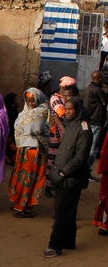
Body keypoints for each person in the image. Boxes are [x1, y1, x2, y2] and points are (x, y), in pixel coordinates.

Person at [46, 97, 92, 257]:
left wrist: (63, 172)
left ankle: (55, 245)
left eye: (71, 109)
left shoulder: (84, 129)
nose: (67, 112)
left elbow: (80, 157)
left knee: (62, 212)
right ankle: (68, 241)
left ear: (78, 109)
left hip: (71, 178)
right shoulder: (70, 125)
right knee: (68, 211)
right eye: (66, 109)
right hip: (62, 175)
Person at [9, 88, 50, 218]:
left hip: (34, 151)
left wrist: (24, 131)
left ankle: (25, 207)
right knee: (20, 177)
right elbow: (20, 128)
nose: (31, 103)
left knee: (29, 178)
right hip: (23, 149)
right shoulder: (24, 112)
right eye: (28, 100)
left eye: (33, 100)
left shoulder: (42, 111)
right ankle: (19, 201)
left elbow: (33, 128)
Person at [83, 70, 108, 167]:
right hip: (95, 121)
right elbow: (104, 100)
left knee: (86, 146)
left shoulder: (88, 87)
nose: (102, 79)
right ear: (97, 79)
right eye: (100, 78)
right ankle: (88, 170)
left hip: (88, 120)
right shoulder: (97, 90)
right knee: (92, 148)